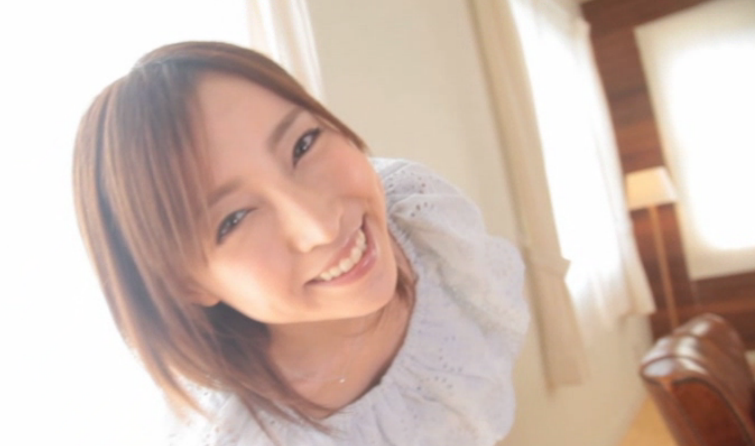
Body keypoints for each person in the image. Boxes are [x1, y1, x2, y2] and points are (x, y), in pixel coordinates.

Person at [72, 41, 529, 445]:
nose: (321, 227)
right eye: (234, 219)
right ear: (184, 282)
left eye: (303, 144)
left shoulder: (422, 219)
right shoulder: (235, 435)